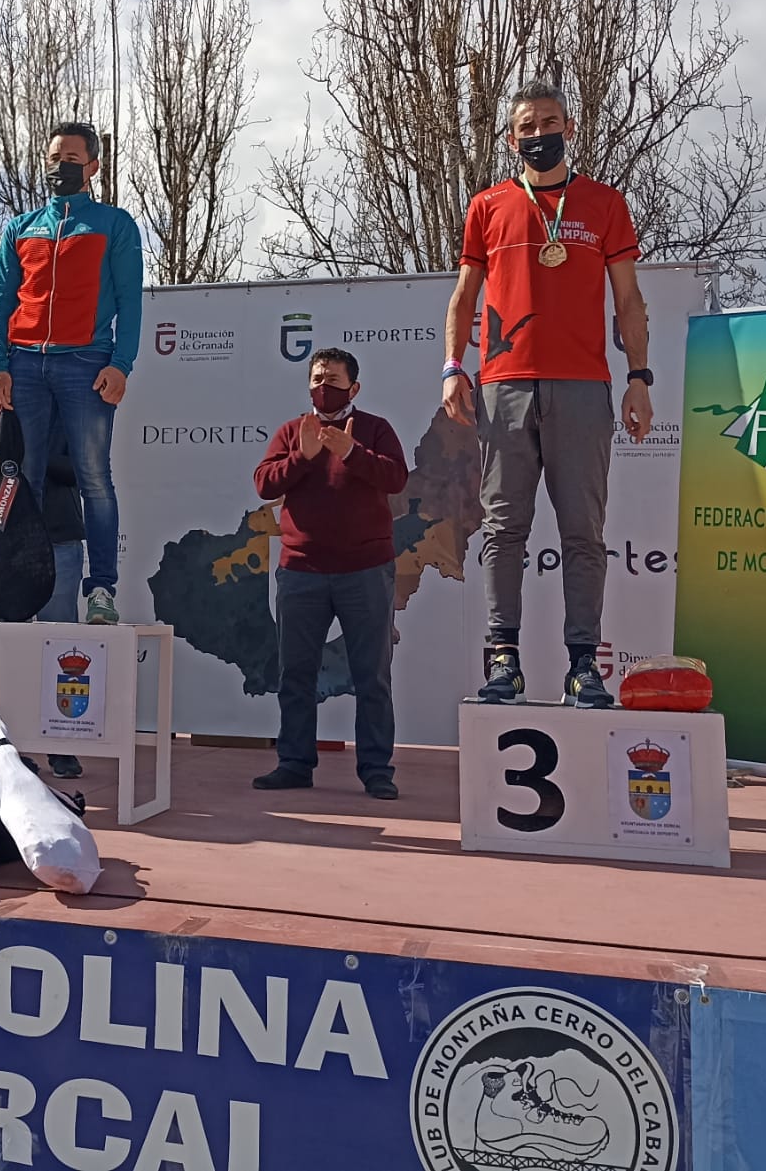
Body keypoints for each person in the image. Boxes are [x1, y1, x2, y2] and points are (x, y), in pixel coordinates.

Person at [443, 79, 650, 709]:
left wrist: (639, 376)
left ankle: (584, 664)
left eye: (549, 123)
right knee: (504, 528)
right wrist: (453, 367)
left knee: (583, 531)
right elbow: (464, 296)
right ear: (511, 139)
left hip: (584, 385)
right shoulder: (487, 206)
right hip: (504, 384)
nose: (539, 135)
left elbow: (629, 300)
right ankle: (503, 659)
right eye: (527, 127)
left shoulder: (605, 203)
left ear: (569, 128)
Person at [0, 122, 144, 625]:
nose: (61, 167)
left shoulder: (115, 224)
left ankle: (101, 590)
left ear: (92, 166)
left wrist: (121, 363)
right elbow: (0, 299)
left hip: (86, 362)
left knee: (93, 478)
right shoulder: (21, 227)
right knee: (20, 479)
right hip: (25, 362)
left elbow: (130, 301)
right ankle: (9, 590)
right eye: (55, 158)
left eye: (72, 159)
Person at [250, 348, 410, 799]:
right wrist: (303, 457)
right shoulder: (293, 431)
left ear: (354, 387)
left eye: (334, 380)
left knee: (372, 676)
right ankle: (294, 763)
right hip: (301, 571)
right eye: (317, 379)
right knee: (296, 674)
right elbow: (264, 484)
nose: (324, 388)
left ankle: (377, 771)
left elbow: (396, 478)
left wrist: (352, 453)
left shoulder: (375, 429)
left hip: (365, 571)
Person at [0, 406, 85, 779]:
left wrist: (11, 454)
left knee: (59, 643)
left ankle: (61, 746)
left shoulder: (69, 407)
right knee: (1, 645)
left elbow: (77, 470)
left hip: (58, 537)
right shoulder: (3, 410)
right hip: (4, 539)